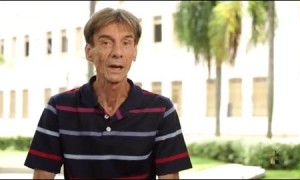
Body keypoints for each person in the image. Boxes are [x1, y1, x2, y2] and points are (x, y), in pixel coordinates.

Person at [24, 7, 193, 179]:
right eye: (106, 42)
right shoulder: (59, 108)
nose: (117, 53)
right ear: (89, 52)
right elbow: (42, 177)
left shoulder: (161, 110)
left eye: (126, 43)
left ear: (134, 52)